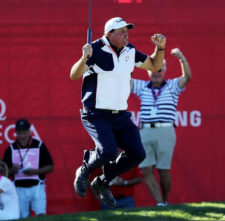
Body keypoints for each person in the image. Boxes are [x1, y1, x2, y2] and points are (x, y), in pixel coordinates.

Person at [70, 16, 166, 208]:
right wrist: (84, 58)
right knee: (109, 151)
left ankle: (102, 182)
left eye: (127, 31)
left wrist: (160, 48)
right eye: (121, 31)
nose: (126, 34)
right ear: (109, 34)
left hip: (120, 115)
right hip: (96, 113)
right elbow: (74, 74)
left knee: (138, 153)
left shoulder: (130, 51)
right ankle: (85, 168)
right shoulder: (95, 49)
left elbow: (155, 65)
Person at [131, 48, 192, 206]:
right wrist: (126, 62)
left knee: (164, 171)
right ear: (148, 71)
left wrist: (181, 58)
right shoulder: (141, 86)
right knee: (145, 169)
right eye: (153, 69)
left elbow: (187, 77)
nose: (156, 72)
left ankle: (165, 200)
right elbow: (124, 81)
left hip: (165, 130)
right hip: (145, 131)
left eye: (159, 69)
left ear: (164, 70)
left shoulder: (172, 85)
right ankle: (159, 203)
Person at [3, 118, 54, 218]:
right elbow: (3, 175)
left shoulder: (39, 145)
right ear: (16, 133)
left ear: (30, 132)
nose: (22, 136)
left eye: (24, 132)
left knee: (41, 215)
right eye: (19, 133)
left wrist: (36, 171)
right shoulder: (11, 149)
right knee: (22, 217)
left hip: (37, 187)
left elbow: (50, 167)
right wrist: (12, 170)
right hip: (18, 189)